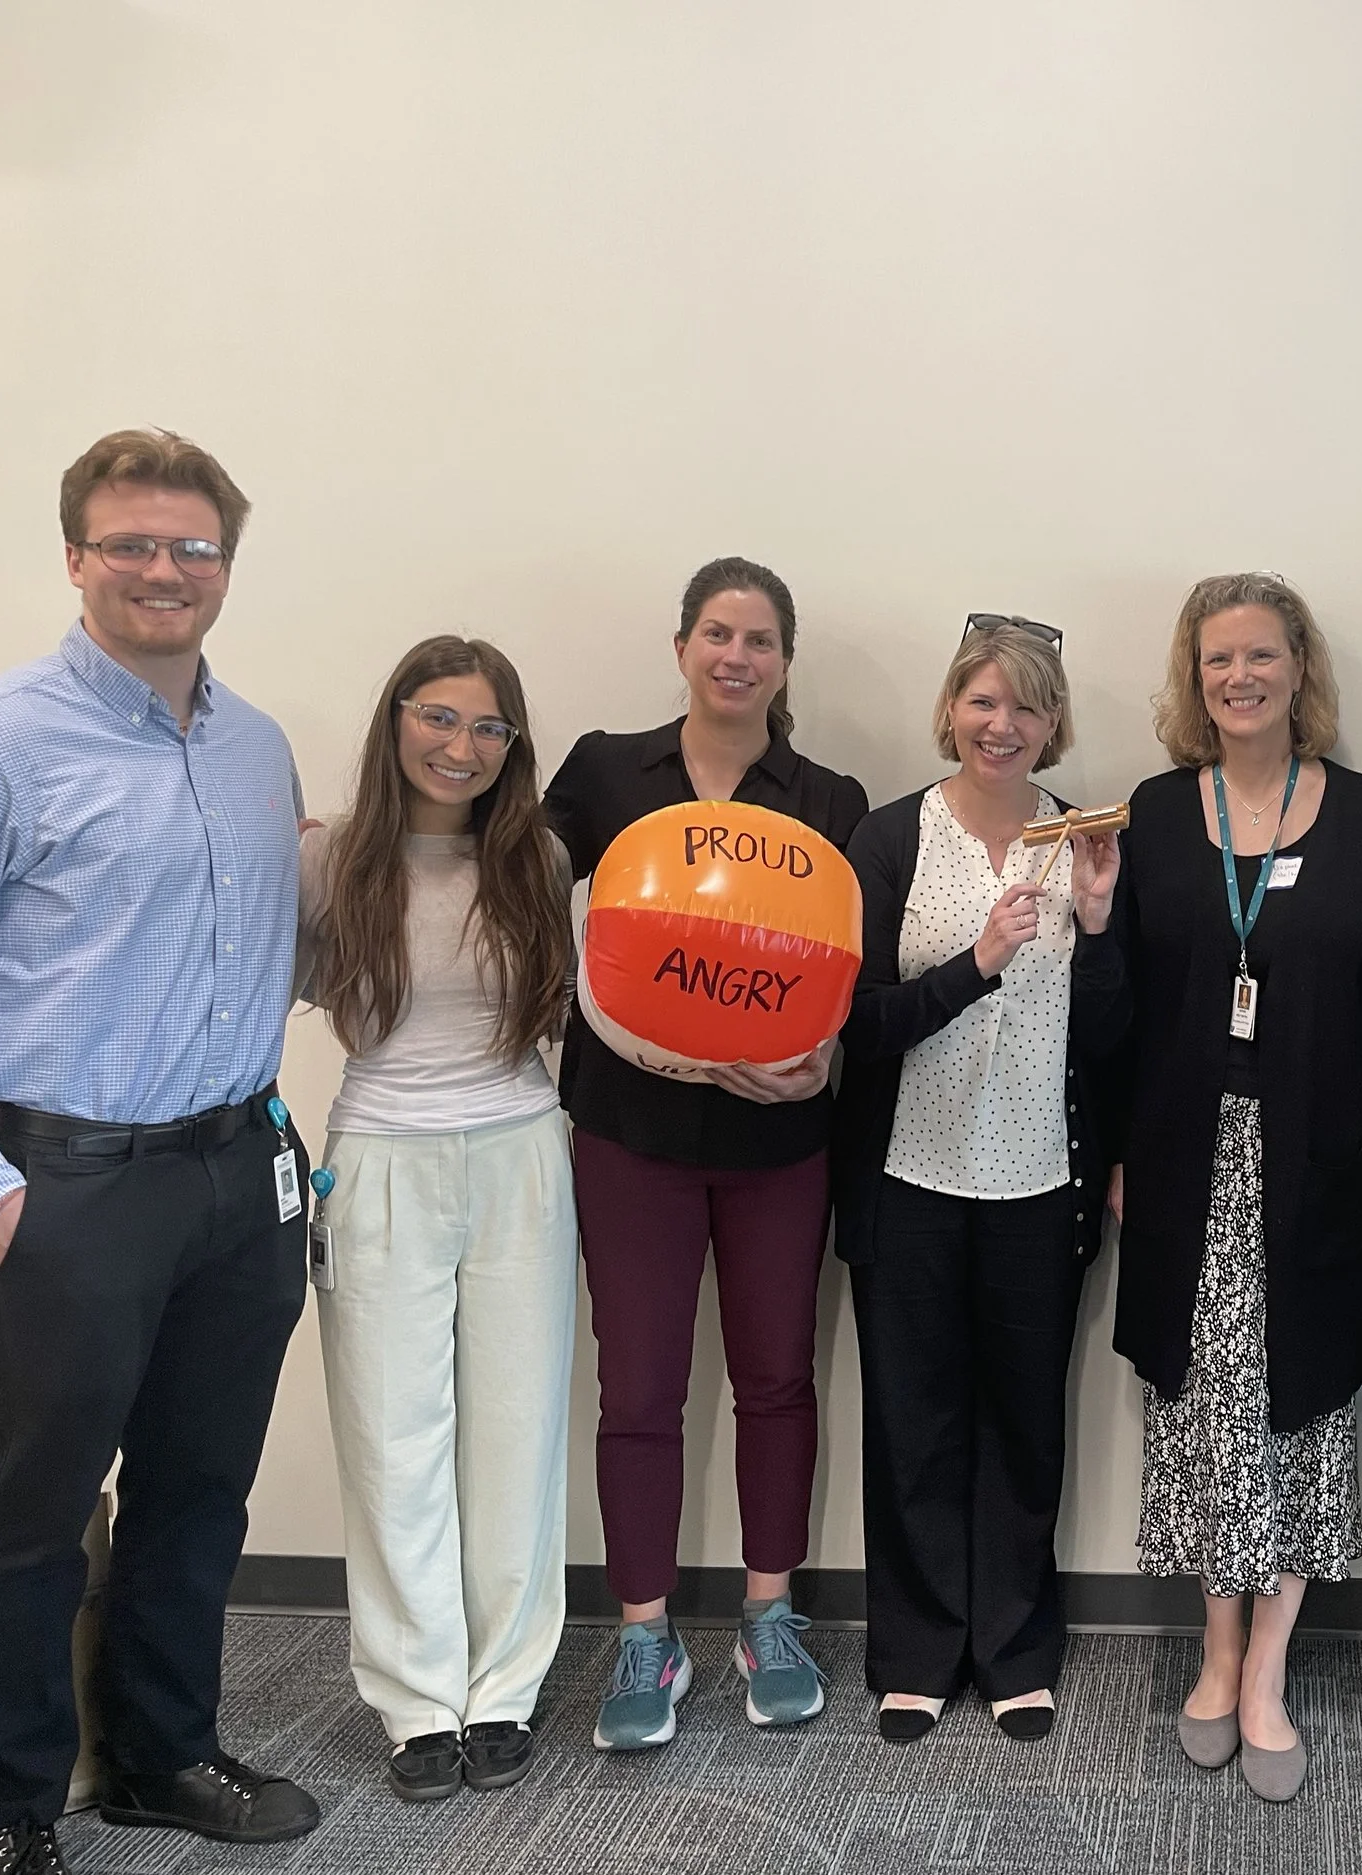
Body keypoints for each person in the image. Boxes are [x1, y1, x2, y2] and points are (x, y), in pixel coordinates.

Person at [0, 430, 321, 1872]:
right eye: (133, 545)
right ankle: (9, 1806)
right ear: (76, 558)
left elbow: (248, 953)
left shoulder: (254, 743)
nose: (165, 570)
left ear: (225, 565)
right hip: (71, 1187)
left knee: (196, 1483)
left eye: (193, 547)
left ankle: (164, 1750)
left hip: (237, 1175)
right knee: (41, 1508)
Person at [543, 557, 867, 1752]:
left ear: (786, 661)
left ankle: (767, 1616)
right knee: (637, 1389)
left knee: (777, 1377)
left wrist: (817, 1061)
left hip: (780, 1139)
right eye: (718, 633)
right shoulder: (598, 770)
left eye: (762, 640)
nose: (738, 656)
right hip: (632, 1135)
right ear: (681, 643)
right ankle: (645, 1633)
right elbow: (522, 905)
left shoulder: (829, 796)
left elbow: (845, 970)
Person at [1107, 573, 1362, 1802]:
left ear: (1299, 669)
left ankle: (1270, 1664)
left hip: (1320, 1159)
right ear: (1195, 676)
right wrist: (1119, 1148)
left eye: (1262, 656)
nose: (1241, 677)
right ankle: (1215, 1649)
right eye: (1218, 658)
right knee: (1206, 1410)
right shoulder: (1156, 814)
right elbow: (1119, 996)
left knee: (1299, 1408)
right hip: (1185, 1157)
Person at [833, 617, 1125, 1744]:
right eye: (983, 702)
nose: (1003, 725)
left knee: (1022, 1425)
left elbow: (1112, 1039)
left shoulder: (1085, 840)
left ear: (1055, 726)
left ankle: (1012, 1650)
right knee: (912, 1420)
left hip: (1037, 1186)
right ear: (951, 710)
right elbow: (856, 1026)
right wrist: (978, 966)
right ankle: (915, 1649)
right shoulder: (888, 836)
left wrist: (1094, 924)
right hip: (907, 1177)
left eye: (1029, 707)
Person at [298, 636, 576, 1802]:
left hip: (519, 1153)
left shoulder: (540, 860)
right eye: (440, 719)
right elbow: (250, 996)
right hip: (380, 1163)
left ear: (512, 746)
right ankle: (417, 1704)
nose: (461, 748)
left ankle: (500, 1690)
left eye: (488, 728)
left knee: (515, 1435)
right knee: (391, 1439)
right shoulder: (329, 863)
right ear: (396, 721)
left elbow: (575, 1015)